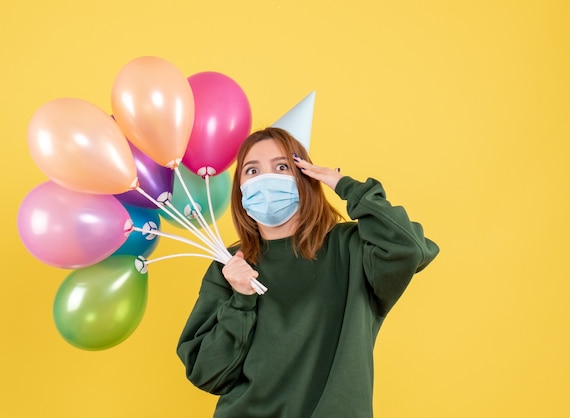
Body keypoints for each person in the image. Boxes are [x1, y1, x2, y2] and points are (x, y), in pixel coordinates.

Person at [177, 127, 439, 418]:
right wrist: (240, 300)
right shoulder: (229, 264)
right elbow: (206, 372)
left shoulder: (352, 248)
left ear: (305, 175)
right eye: (252, 171)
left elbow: (410, 247)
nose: (266, 179)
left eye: (281, 167)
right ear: (240, 190)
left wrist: (346, 186)